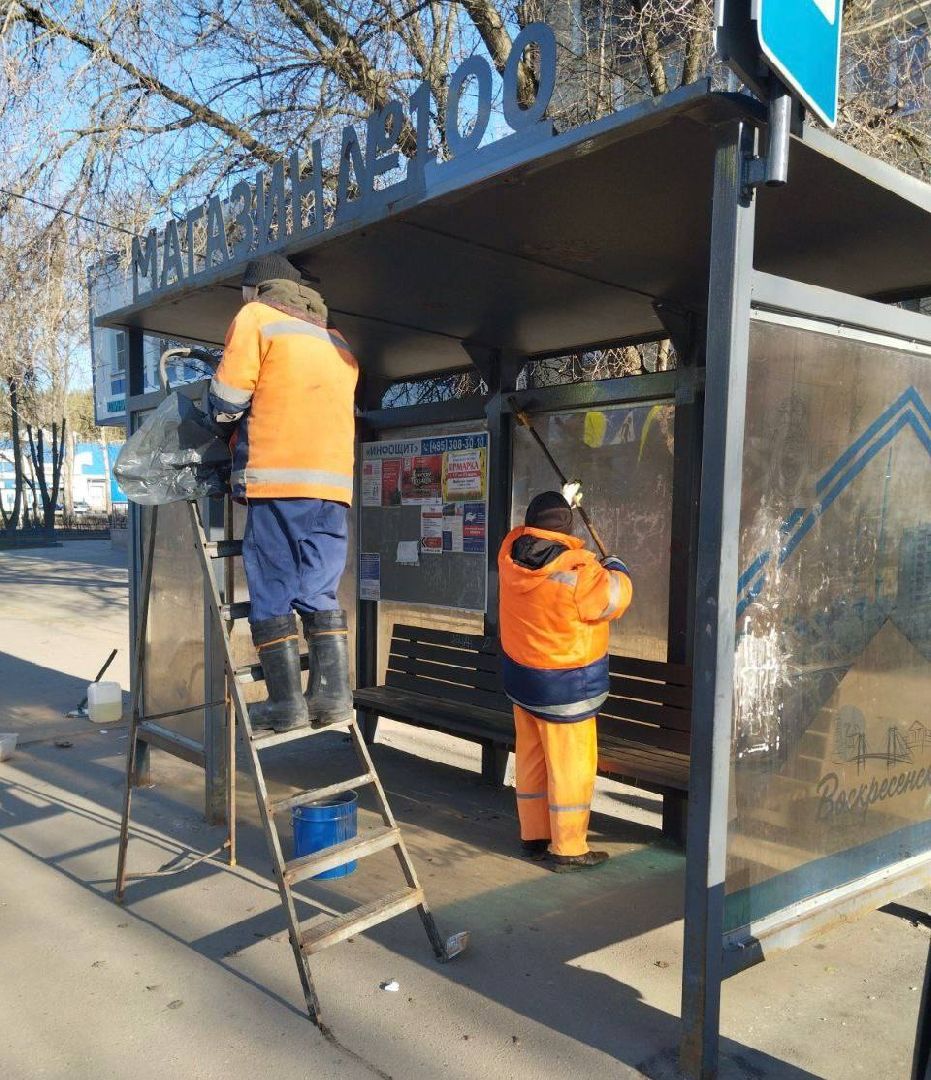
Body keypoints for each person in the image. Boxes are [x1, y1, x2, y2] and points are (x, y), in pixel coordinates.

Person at [209, 253, 359, 732]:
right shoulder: (337, 341)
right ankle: (333, 699)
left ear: (257, 290)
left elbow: (230, 398)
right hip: (333, 487)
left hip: (278, 478)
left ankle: (287, 706)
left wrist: (216, 419)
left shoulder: (255, 318)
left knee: (272, 586)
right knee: (318, 587)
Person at [498, 488, 632, 872]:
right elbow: (615, 599)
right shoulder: (580, 572)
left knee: (532, 759)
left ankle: (535, 835)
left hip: (524, 682)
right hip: (566, 688)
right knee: (570, 767)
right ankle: (569, 848)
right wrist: (618, 567)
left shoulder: (510, 559)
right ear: (567, 526)